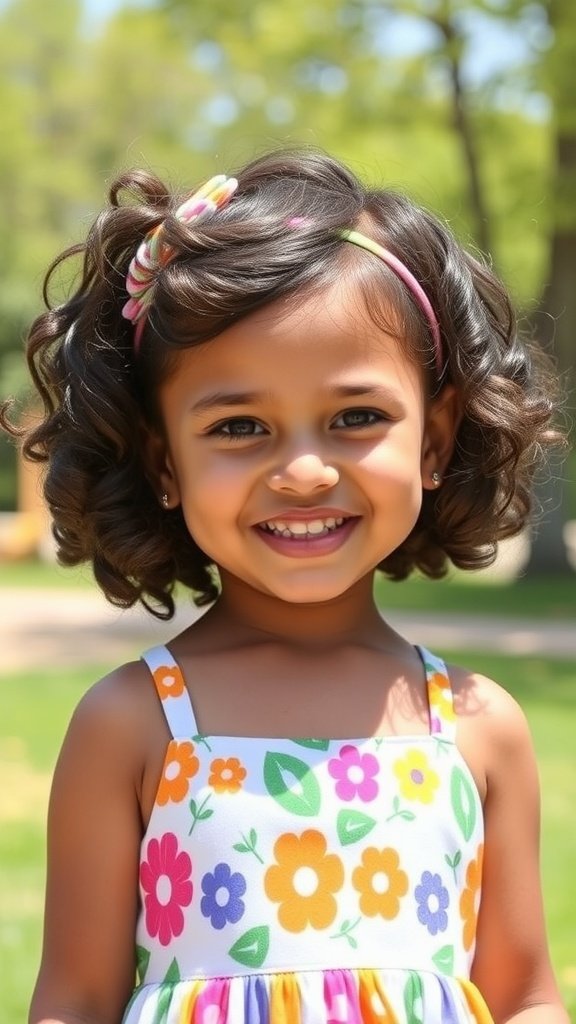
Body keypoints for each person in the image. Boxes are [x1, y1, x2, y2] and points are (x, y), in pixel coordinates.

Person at [15, 150, 568, 1023]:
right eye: (240, 427)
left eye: (357, 417)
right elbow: (75, 1001)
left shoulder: (478, 728)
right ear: (165, 462)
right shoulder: (132, 724)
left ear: (433, 440)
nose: (304, 471)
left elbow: (526, 994)